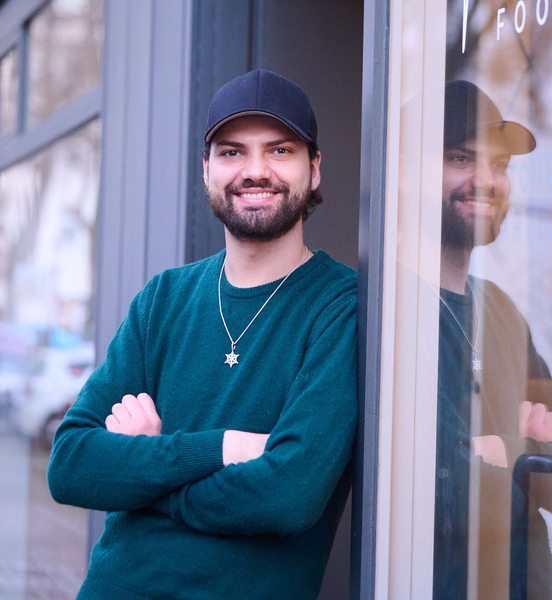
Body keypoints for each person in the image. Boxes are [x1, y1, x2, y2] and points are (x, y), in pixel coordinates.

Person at [47, 69, 358, 600]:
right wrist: (224, 447)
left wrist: (146, 471)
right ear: (207, 170)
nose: (255, 171)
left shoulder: (342, 305)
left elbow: (288, 494)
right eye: (232, 152)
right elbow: (71, 464)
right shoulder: (163, 298)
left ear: (314, 169)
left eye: (280, 150)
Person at [429, 80, 552, 599]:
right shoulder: (384, 312)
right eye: (461, 158)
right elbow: (450, 494)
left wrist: (511, 453)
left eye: (501, 164)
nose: (487, 180)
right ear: (404, 172)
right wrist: (534, 454)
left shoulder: (500, 312)